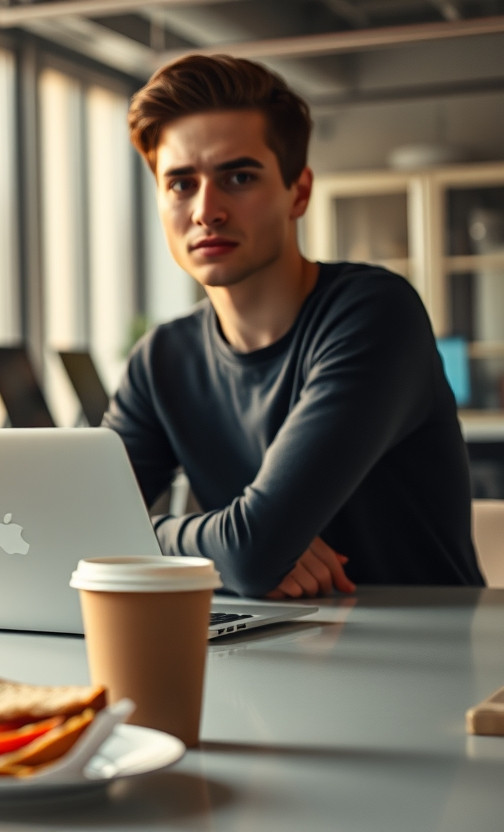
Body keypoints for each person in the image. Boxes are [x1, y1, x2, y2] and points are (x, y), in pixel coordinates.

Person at [105, 53, 483, 599]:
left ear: (298, 193)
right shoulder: (161, 358)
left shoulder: (373, 314)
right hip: (264, 648)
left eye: (238, 177)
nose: (206, 210)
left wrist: (183, 543)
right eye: (181, 183)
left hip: (430, 655)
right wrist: (228, 548)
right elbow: (76, 529)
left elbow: (251, 553)